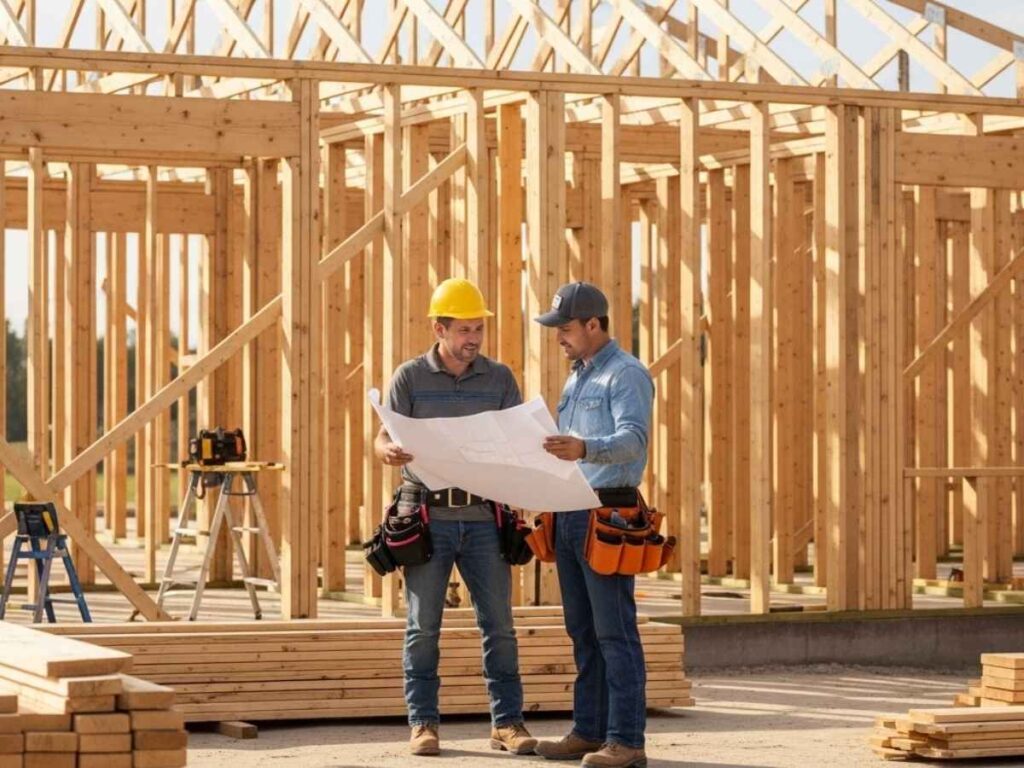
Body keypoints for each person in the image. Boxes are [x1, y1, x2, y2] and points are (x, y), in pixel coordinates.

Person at [374, 277, 537, 758]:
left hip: (486, 520)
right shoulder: (409, 377)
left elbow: (517, 443)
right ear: (438, 328)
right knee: (423, 627)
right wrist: (387, 452)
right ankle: (423, 723)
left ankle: (507, 723)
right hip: (429, 517)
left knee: (500, 626)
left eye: (478, 329)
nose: (473, 339)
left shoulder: (500, 379)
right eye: (464, 329)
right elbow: (381, 438)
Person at [532, 282, 655, 768]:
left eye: (565, 328)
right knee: (582, 630)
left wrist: (584, 448)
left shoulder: (626, 375)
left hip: (608, 513)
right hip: (570, 510)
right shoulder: (576, 376)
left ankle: (627, 741)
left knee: (614, 632)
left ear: (593, 324)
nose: (559, 337)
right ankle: (589, 731)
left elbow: (633, 441)